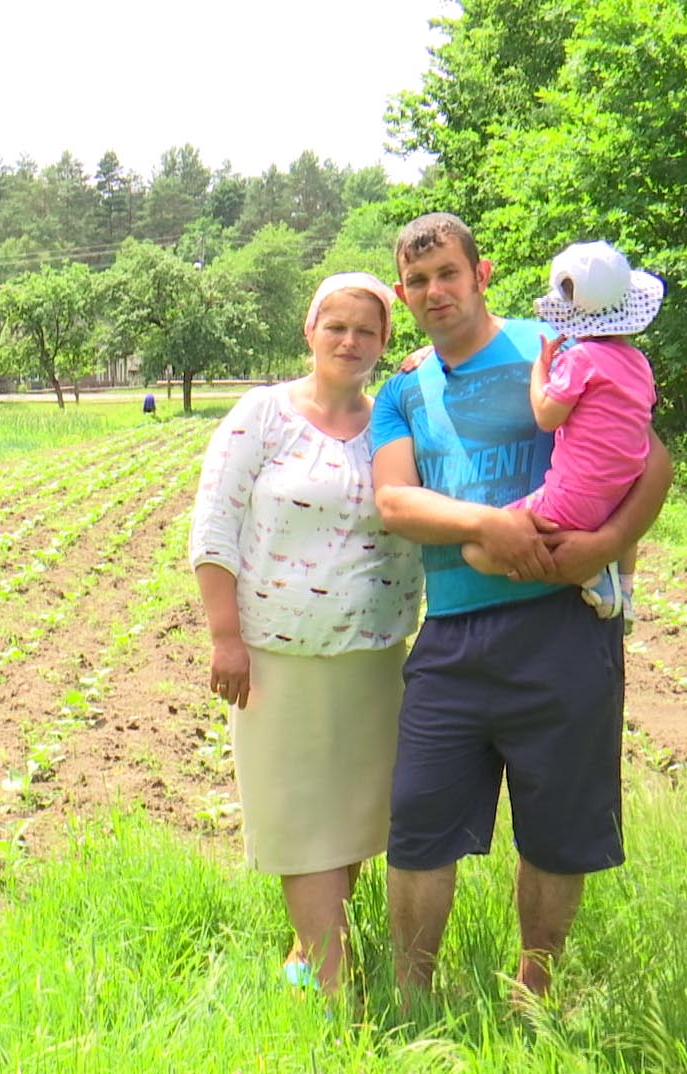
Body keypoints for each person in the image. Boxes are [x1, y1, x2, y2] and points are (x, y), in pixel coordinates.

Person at [369, 213, 672, 1003]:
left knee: (559, 830)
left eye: (448, 274)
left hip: (562, 629)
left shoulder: (561, 345)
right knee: (418, 824)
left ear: (482, 273)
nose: (435, 292)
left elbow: (654, 461)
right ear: (404, 293)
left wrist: (605, 546)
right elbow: (396, 502)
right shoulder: (402, 390)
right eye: (418, 281)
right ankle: (413, 997)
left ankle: (533, 992)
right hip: (453, 636)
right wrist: (488, 525)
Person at [189, 271, 423, 998]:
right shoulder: (263, 414)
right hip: (275, 655)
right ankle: (332, 984)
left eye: (368, 330)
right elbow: (214, 525)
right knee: (298, 814)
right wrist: (226, 636)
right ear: (310, 331)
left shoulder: (393, 419)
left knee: (352, 815)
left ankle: (306, 952)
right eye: (337, 326)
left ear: (386, 342)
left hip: (373, 652)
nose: (351, 341)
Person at [457, 241, 661, 628]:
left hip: (574, 498)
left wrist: (540, 371)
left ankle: (587, 574)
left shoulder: (580, 359)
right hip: (622, 490)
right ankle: (627, 590)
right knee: (622, 531)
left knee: (477, 550)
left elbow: (548, 417)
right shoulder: (639, 363)